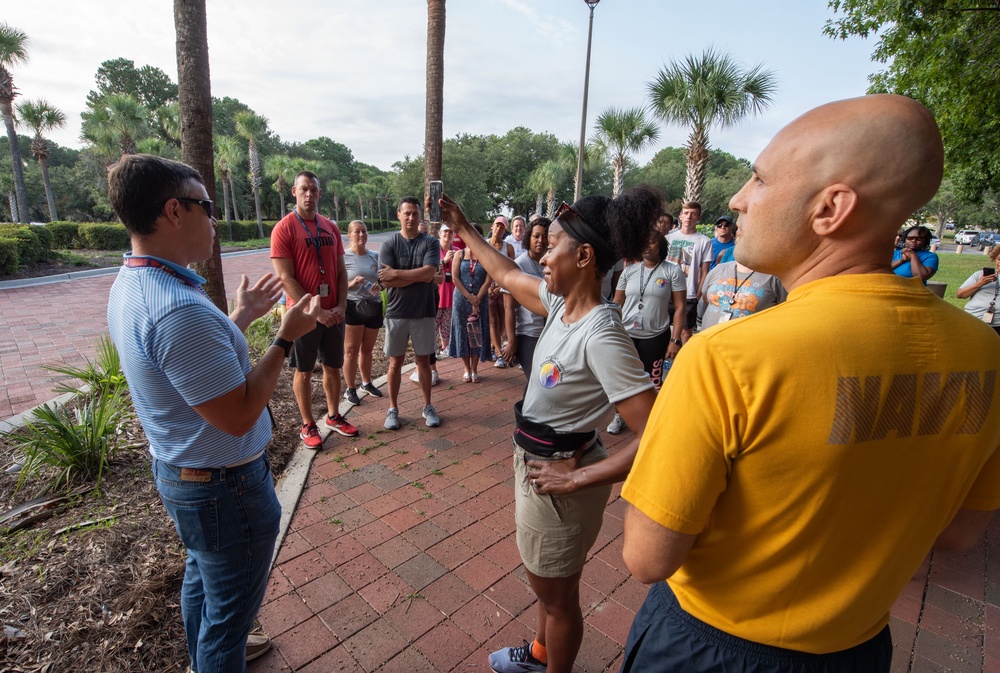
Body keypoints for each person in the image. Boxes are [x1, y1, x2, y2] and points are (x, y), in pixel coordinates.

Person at [619, 95, 1000, 673]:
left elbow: (648, 557)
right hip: (858, 647)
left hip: (708, 645)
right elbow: (957, 534)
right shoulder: (985, 353)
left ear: (831, 209)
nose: (737, 198)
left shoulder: (727, 357)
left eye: (760, 178)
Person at [105, 154, 323, 672]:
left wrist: (238, 319)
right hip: (225, 489)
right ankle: (216, 656)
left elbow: (190, 370)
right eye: (206, 205)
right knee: (228, 616)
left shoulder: (135, 282)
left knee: (203, 578)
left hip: (186, 475)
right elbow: (240, 413)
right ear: (173, 212)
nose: (215, 218)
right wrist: (285, 338)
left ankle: (207, 652)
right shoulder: (178, 309)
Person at [439, 188, 660, 673]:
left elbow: (661, 434)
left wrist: (578, 479)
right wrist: (462, 227)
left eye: (552, 243)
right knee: (548, 585)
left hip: (560, 484)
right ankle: (539, 656)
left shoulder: (601, 334)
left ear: (583, 256)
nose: (540, 252)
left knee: (558, 598)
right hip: (539, 466)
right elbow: (504, 272)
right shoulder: (562, 306)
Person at [271, 171, 359, 448]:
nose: (309, 194)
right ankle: (308, 424)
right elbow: (286, 278)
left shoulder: (330, 227)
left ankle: (333, 416)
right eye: (304, 189)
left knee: (333, 366)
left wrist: (342, 305)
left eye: (314, 190)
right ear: (294, 193)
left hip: (334, 311)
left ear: (320, 193)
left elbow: (342, 273)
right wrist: (317, 312)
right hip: (304, 316)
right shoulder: (284, 229)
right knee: (305, 371)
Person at [607, 231, 687, 434]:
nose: (647, 246)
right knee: (624, 378)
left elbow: (679, 307)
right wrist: (611, 328)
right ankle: (620, 416)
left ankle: (651, 419)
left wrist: (675, 339)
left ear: (661, 246)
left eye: (652, 242)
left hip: (656, 336)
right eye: (644, 242)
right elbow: (617, 302)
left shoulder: (672, 271)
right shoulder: (630, 271)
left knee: (653, 380)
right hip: (627, 335)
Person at [378, 197, 442, 429]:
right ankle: (393, 408)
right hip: (396, 312)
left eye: (415, 214)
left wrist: (398, 273)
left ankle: (427, 406)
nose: (411, 218)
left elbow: (430, 274)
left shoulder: (430, 243)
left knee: (423, 361)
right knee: (395, 363)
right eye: (407, 213)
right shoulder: (389, 245)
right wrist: (418, 276)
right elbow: (387, 282)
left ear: (419, 216)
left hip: (423, 311)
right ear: (399, 215)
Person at [341, 220, 384, 406]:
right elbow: (338, 286)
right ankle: (350, 388)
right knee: (351, 350)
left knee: (367, 349)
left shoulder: (375, 256)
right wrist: (352, 284)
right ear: (349, 235)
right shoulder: (343, 257)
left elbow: (384, 280)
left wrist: (379, 286)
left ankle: (366, 383)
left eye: (364, 231)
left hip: (373, 306)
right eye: (357, 232)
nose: (361, 235)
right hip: (353, 306)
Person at [502, 217, 550, 379]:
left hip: (551, 333)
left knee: (545, 382)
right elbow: (508, 307)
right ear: (528, 238)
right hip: (529, 333)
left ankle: (525, 405)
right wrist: (511, 341)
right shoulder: (519, 265)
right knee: (537, 379)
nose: (540, 240)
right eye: (536, 236)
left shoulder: (553, 264)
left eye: (545, 236)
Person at [449, 223, 491, 383]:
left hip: (481, 299)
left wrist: (477, 298)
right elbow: (455, 278)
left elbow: (489, 279)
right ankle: (466, 369)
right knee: (463, 333)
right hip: (461, 299)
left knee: (477, 333)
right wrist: (470, 297)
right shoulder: (459, 254)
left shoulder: (486, 255)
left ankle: (475, 369)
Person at [665, 202, 713, 343]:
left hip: (689, 293)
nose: (689, 217)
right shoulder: (669, 238)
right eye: (686, 213)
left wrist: (698, 293)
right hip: (667, 290)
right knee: (663, 330)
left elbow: (705, 270)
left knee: (686, 333)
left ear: (699, 217)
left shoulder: (704, 241)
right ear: (680, 216)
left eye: (693, 213)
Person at [699, 259, 787, 331]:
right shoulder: (719, 269)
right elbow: (706, 298)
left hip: (747, 347)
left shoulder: (775, 276)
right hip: (708, 343)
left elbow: (783, 312)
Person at [488, 215, 516, 367]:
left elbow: (512, 270)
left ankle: (494, 346)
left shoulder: (508, 248)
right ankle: (499, 354)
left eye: (502, 226)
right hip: (488, 288)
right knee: (492, 320)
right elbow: (481, 267)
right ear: (492, 226)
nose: (499, 228)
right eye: (497, 225)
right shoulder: (485, 245)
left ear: (505, 230)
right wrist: (487, 287)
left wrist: (501, 287)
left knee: (502, 322)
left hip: (504, 288)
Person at [956, 244, 1000, 336]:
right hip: (973, 320)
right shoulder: (979, 275)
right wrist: (979, 284)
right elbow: (960, 294)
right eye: (999, 259)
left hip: (997, 325)